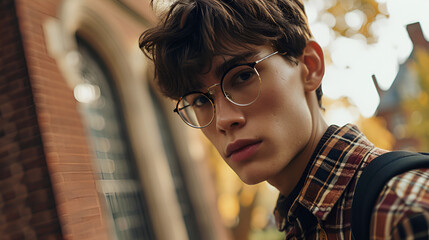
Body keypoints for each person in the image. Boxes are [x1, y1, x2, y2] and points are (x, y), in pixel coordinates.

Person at [139, 0, 429, 239]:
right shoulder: (301, 221)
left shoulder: (402, 210)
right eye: (201, 100)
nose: (224, 120)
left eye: (242, 76)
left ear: (310, 67)